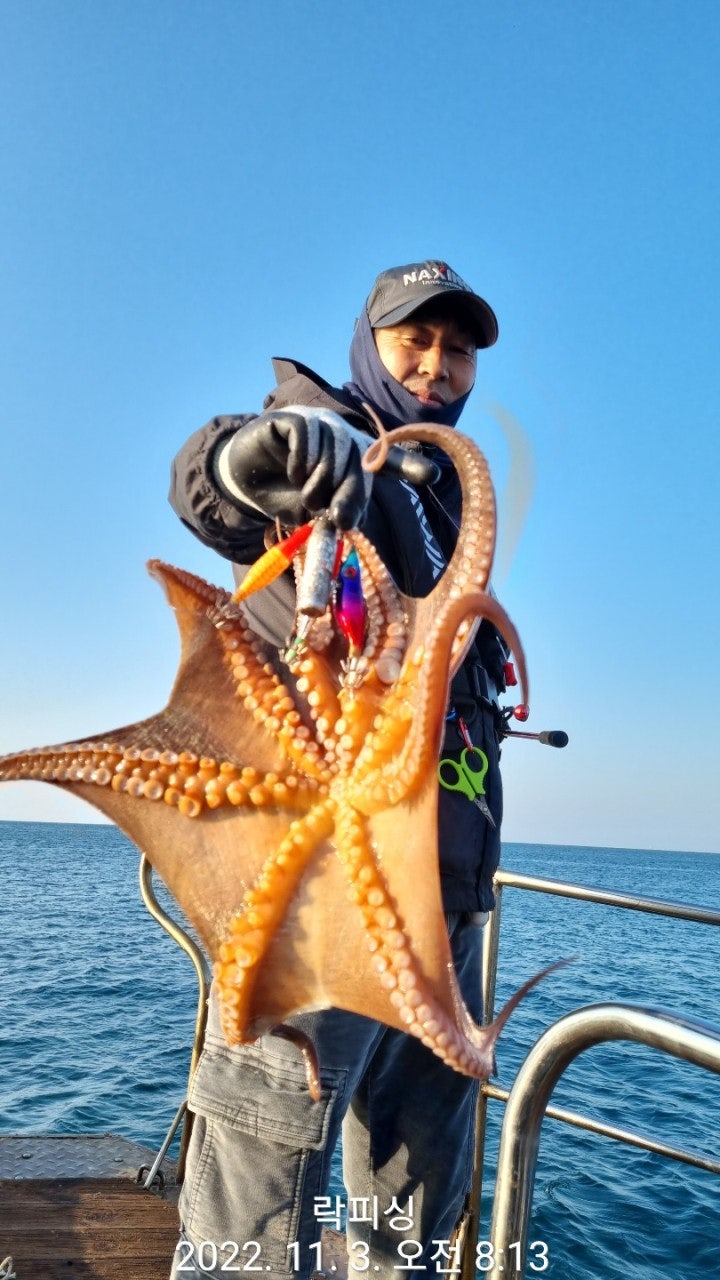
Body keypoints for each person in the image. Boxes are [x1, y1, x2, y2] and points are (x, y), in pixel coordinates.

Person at [168, 260, 509, 1279]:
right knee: (255, 1205)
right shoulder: (322, 433)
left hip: (444, 905)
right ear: (371, 342)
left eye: (457, 349)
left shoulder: (442, 491)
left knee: (411, 1203)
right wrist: (246, 461)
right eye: (415, 340)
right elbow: (220, 483)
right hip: (320, 898)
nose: (437, 364)